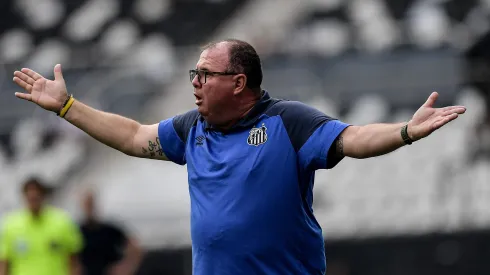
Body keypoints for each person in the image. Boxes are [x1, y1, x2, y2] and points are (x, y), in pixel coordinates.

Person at [11, 39, 466, 275]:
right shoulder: (192, 130)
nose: (194, 82)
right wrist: (69, 108)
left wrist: (405, 132)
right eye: (194, 73)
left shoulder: (288, 122)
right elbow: (133, 135)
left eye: (204, 74)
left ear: (238, 82)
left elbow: (355, 137)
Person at [0, 178, 83, 275]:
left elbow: (74, 262)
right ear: (24, 197)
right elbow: (4, 264)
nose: (33, 201)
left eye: (36, 197)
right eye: (30, 198)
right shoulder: (11, 225)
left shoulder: (62, 222)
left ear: (43, 196)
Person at [78, 189, 141, 275]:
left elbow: (134, 245)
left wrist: (126, 266)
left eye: (91, 204)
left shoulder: (109, 230)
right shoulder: (77, 231)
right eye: (87, 204)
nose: (89, 208)